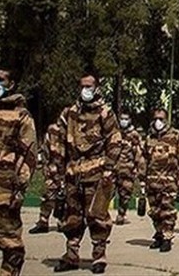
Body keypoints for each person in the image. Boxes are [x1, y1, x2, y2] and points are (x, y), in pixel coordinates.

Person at [50, 74, 121, 274]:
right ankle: (71, 255)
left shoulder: (104, 113)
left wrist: (109, 168)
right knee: (72, 216)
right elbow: (58, 140)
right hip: (73, 173)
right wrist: (58, 166)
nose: (85, 89)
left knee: (97, 216)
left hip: (97, 174)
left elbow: (114, 140)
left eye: (89, 86)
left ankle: (99, 256)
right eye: (82, 86)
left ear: (97, 87)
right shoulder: (70, 113)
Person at [0, 68, 37, 276]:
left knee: (11, 246)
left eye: (0, 80)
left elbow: (29, 155)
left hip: (5, 190)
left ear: (10, 84)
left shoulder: (21, 116)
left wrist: (19, 188)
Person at [142, 108, 179, 253]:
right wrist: (142, 179)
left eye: (161, 118)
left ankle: (167, 238)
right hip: (152, 181)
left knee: (167, 210)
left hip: (169, 181)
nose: (157, 122)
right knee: (155, 211)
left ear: (166, 120)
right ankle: (159, 235)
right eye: (155, 119)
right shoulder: (149, 138)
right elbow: (144, 160)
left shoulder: (175, 136)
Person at [29, 122, 63, 234]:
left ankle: (62, 221)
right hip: (53, 167)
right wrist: (46, 165)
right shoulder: (53, 130)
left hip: (67, 168)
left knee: (66, 196)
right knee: (48, 194)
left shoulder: (74, 129)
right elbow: (46, 150)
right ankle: (43, 221)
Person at [114, 110, 144, 225]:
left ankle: (121, 215)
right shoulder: (115, 132)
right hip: (113, 168)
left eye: (126, 119)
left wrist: (138, 168)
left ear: (130, 120)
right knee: (106, 192)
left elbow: (138, 152)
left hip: (127, 169)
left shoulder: (134, 134)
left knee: (125, 194)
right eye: (122, 118)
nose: (123, 121)